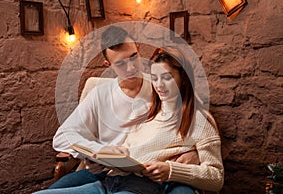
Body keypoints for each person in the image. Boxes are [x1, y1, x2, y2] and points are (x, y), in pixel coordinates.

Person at [34, 26, 199, 193]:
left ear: (138, 49)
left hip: (148, 174)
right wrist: (95, 153)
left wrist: (196, 154)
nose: (131, 68)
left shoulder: (161, 86)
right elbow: (62, 137)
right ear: (108, 64)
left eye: (133, 57)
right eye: (120, 64)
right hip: (105, 173)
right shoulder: (100, 94)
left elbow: (196, 120)